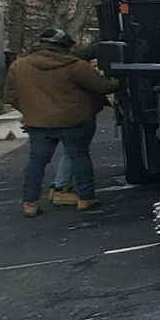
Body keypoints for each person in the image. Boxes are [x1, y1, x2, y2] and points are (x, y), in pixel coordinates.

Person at [3, 28, 119, 217]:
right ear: (64, 46)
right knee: (79, 157)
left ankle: (30, 203)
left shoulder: (19, 66)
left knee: (36, 162)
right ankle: (85, 198)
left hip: (38, 123)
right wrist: (116, 79)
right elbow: (103, 86)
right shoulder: (76, 66)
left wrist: (30, 110)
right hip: (74, 121)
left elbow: (10, 96)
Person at [46, 42, 101, 207]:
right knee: (77, 152)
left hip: (46, 115)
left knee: (65, 153)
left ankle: (58, 187)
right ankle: (73, 191)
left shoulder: (33, 67)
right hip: (76, 115)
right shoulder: (75, 67)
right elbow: (100, 85)